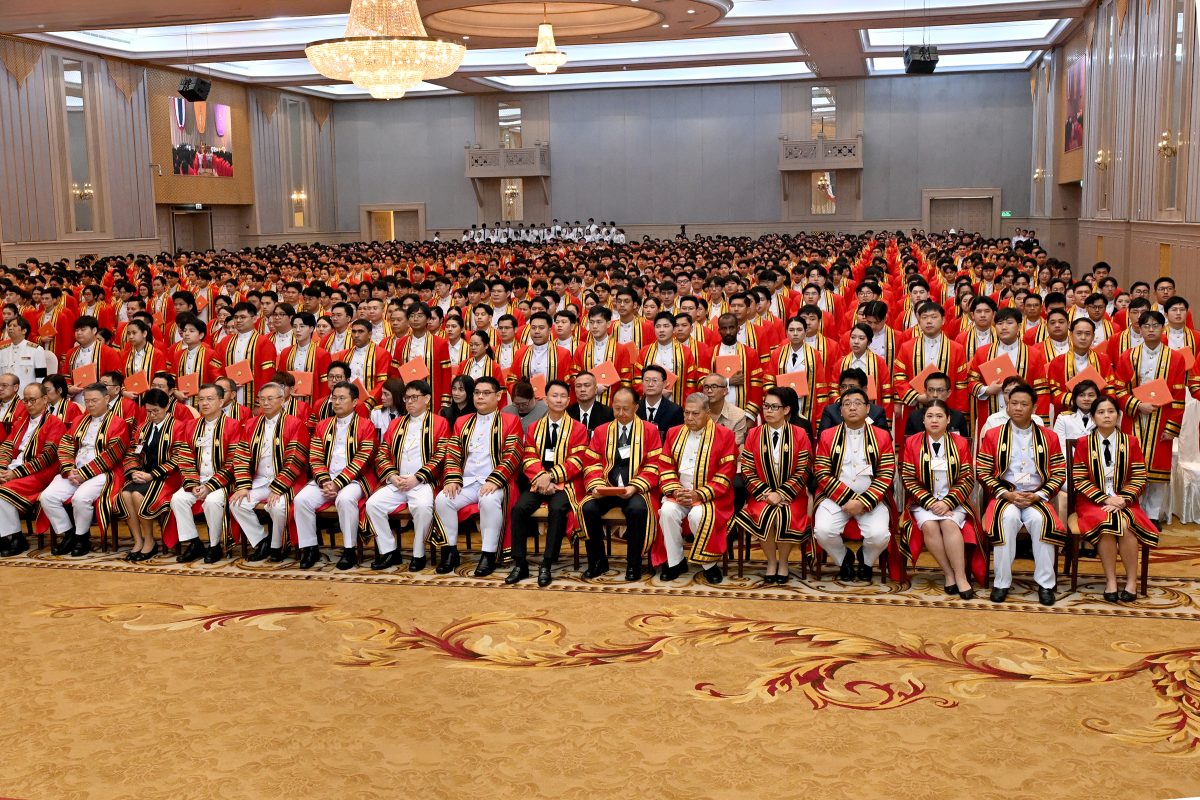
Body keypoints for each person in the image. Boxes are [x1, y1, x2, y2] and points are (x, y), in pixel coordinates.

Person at [977, 384, 1066, 606]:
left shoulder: (1049, 436)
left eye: (1024, 404)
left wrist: (1040, 495)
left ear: (1034, 408)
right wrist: (1005, 494)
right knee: (1006, 519)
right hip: (1006, 496)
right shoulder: (993, 435)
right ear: (1007, 406)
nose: (1017, 408)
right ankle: (1001, 582)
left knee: (1041, 521)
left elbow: (1059, 472)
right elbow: (982, 471)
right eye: (1013, 403)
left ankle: (1046, 584)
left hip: (1036, 497)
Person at [1071, 395, 1159, 603]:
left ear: (1118, 416)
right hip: (1092, 502)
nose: (1106, 416)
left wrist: (1123, 498)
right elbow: (1079, 478)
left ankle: (1131, 581)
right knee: (1108, 523)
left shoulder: (1131, 442)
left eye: (1111, 411)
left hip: (1125, 501)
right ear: (1093, 417)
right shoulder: (1084, 443)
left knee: (1126, 524)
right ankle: (1111, 581)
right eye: (1101, 412)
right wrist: (1105, 499)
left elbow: (1140, 476)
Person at [432, 375, 523, 576]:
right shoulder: (462, 422)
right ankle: (450, 551)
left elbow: (513, 453)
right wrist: (452, 478)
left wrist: (495, 480)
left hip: (497, 482)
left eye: (486, 393)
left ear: (498, 396)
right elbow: (452, 452)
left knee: (489, 501)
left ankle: (488, 554)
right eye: (477, 393)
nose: (480, 397)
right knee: (442, 499)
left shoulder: (510, 421)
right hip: (467, 482)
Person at [507, 380, 592, 586]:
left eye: (563, 396)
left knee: (557, 509)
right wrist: (541, 478)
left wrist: (551, 476)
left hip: (566, 484)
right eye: (554, 396)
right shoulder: (535, 427)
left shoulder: (578, 428)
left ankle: (546, 563)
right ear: (545, 400)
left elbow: (577, 460)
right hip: (538, 482)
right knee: (519, 509)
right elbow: (528, 457)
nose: (559, 400)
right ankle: (520, 563)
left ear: (568, 400)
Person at [812, 388, 896, 583]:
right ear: (840, 410)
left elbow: (886, 474)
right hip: (834, 497)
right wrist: (847, 499)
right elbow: (822, 472)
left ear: (868, 408)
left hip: (872, 499)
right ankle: (844, 558)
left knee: (880, 535)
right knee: (822, 531)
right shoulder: (828, 435)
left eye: (858, 403)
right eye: (847, 404)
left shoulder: (882, 436)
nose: (852, 407)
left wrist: (863, 502)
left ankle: (866, 560)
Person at [579, 386, 663, 582]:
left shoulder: (650, 430)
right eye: (617, 408)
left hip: (635, 489)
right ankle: (598, 561)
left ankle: (634, 564)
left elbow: (655, 464)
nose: (621, 413)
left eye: (626, 408)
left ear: (636, 407)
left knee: (637, 510)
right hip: (607, 488)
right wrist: (597, 486)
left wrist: (635, 486)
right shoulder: (602, 431)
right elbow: (591, 463)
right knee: (588, 508)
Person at [900, 399, 981, 599]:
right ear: (923, 420)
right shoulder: (912, 442)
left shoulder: (960, 443)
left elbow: (966, 477)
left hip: (954, 501)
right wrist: (929, 502)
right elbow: (908, 477)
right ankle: (948, 573)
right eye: (930, 416)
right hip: (923, 502)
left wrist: (947, 502)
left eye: (939, 416)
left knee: (948, 524)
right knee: (929, 526)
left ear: (948, 420)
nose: (934, 420)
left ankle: (961, 576)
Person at [293, 382, 378, 570]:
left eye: (342, 398)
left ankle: (349, 550)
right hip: (325, 479)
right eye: (334, 398)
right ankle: (310, 548)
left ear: (354, 402)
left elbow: (363, 459)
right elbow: (315, 457)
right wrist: (325, 481)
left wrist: (338, 483)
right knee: (301, 500)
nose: (336, 402)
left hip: (355, 479)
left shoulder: (366, 425)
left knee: (345, 499)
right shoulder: (323, 425)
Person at [365, 379, 448, 571]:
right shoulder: (396, 424)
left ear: (427, 399)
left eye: (414, 397)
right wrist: (393, 477)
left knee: (423, 507)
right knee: (373, 504)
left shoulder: (439, 422)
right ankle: (389, 551)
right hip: (398, 481)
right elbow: (382, 453)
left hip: (423, 482)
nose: (409, 402)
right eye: (406, 398)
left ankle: (418, 553)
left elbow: (442, 454)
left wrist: (417, 477)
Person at [733, 387, 812, 584]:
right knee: (766, 514)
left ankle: (783, 562)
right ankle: (771, 562)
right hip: (762, 495)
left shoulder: (799, 434)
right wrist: (766, 493)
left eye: (774, 407)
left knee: (785, 515)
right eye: (766, 406)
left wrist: (782, 493)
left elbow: (804, 469)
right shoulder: (754, 433)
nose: (768, 411)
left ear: (786, 410)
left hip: (792, 496)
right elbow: (747, 468)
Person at [657, 392, 738, 584]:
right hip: (679, 493)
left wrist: (699, 494)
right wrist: (675, 490)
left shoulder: (725, 435)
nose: (689, 418)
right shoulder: (674, 432)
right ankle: (676, 562)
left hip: (711, 496)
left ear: (707, 413)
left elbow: (726, 472)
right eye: (686, 413)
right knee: (667, 512)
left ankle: (709, 565)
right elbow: (665, 465)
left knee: (697, 515)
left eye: (695, 413)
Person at [1113, 311, 1186, 522]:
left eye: (1155, 325)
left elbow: (1179, 396)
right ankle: (1133, 511)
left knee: (1158, 470)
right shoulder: (1128, 356)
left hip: (1162, 418)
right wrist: (1137, 405)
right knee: (1132, 466)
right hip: (1134, 418)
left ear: (1163, 328)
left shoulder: (1176, 358)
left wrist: (1171, 428)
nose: (1151, 329)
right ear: (1140, 329)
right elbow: (1119, 389)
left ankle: (1153, 515)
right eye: (1146, 326)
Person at [43, 383, 131, 557]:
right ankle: (69, 534)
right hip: (75, 470)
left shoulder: (118, 423)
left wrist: (84, 474)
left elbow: (112, 455)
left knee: (81, 498)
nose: (90, 404)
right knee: (47, 497)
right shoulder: (79, 421)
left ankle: (82, 538)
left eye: (94, 400)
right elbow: (66, 445)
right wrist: (69, 469)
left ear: (106, 399)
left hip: (103, 472)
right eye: (87, 400)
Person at [228, 382, 311, 563]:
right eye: (262, 399)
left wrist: (278, 487)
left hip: (287, 481)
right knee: (236, 503)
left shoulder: (294, 423)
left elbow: (295, 459)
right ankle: (262, 541)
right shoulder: (251, 424)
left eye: (270, 399)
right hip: (259, 481)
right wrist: (243, 486)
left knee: (278, 507)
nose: (265, 403)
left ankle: (277, 545)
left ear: (282, 400)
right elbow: (241, 456)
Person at [171, 383, 240, 564]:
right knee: (178, 499)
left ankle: (214, 545)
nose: (204, 403)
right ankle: (194, 543)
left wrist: (210, 486)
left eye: (210, 399)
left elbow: (233, 461)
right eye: (201, 399)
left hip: (222, 482)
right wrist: (193, 483)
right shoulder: (191, 425)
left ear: (221, 401)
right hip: (196, 480)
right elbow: (184, 457)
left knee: (212, 501)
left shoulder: (233, 425)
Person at [0, 383, 67, 557]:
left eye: (32, 400)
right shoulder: (21, 421)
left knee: (2, 492)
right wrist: (2, 468)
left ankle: (16, 538)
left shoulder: (55, 423)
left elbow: (47, 457)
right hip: (14, 468)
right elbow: (7, 446)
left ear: (45, 399)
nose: (28, 404)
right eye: (25, 400)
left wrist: (15, 473)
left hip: (40, 473)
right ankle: (3, 537)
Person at [118, 388, 181, 562]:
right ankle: (138, 540)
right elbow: (132, 453)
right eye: (148, 411)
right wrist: (133, 472)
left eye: (156, 411)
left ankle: (149, 541)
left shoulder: (178, 427)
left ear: (166, 407)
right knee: (125, 494)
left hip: (168, 476)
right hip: (144, 474)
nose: (152, 415)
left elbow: (178, 458)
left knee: (137, 495)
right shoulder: (143, 428)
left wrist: (152, 475)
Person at [220, 302, 278, 407]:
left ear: (254, 318)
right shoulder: (225, 341)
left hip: (254, 397)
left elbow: (268, 374)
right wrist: (224, 383)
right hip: (227, 399)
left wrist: (259, 402)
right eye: (236, 317)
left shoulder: (264, 342)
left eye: (243, 317)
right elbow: (215, 367)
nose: (238, 320)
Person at [818, 368, 890, 434]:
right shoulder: (830, 411)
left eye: (851, 387)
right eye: (843, 387)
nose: (846, 390)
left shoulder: (877, 412)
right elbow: (822, 438)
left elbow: (884, 438)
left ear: (864, 389)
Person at [698, 372, 755, 447]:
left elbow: (736, 447)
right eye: (706, 387)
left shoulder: (738, 415)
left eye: (714, 387)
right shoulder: (695, 412)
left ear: (725, 391)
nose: (709, 391)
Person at [0, 316, 54, 389]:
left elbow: (41, 377)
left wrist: (36, 393)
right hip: (5, 393)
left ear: (24, 331)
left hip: (26, 393)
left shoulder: (36, 350)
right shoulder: (2, 350)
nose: (10, 328)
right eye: (9, 326)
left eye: (14, 326)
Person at [637, 365, 683, 438]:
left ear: (664, 384)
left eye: (655, 380)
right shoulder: (634, 408)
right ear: (642, 382)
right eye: (647, 380)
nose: (650, 384)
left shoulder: (675, 411)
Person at [1052, 380, 1099, 444]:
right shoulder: (1063, 419)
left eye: (1091, 395)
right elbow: (1059, 445)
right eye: (1081, 395)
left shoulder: (1103, 417)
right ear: (1074, 398)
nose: (1086, 399)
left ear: (1097, 398)